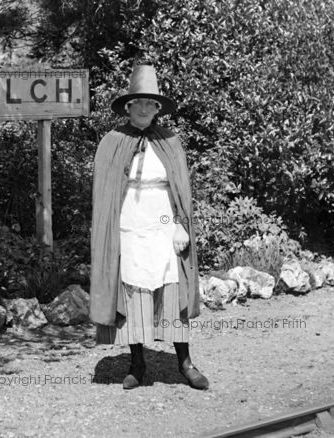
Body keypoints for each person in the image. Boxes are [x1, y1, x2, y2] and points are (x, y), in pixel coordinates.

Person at [89, 64, 209, 390]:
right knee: (134, 298)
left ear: (158, 108)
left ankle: (185, 362)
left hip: (163, 227)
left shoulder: (170, 142)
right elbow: (106, 197)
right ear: (128, 106)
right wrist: (109, 239)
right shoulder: (112, 142)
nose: (144, 108)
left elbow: (181, 193)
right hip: (129, 230)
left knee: (173, 294)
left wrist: (180, 226)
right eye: (138, 102)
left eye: (151, 103)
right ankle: (137, 364)